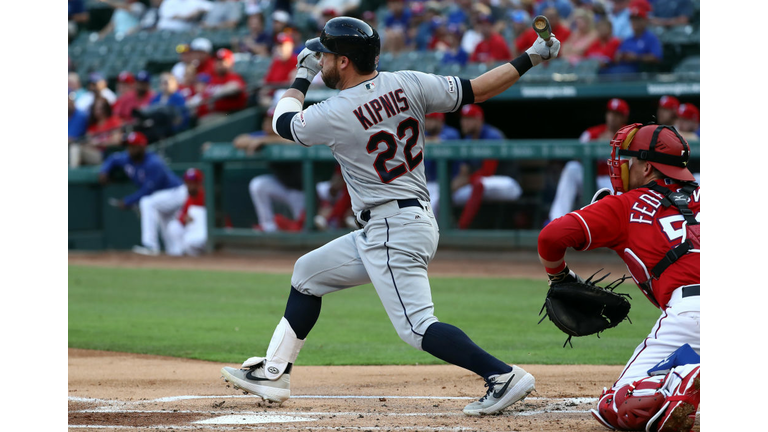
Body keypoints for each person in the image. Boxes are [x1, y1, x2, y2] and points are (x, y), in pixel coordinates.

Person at [220, 16, 561, 416]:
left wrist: (302, 75)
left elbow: (282, 123)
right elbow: (477, 89)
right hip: (399, 221)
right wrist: (532, 57)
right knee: (307, 274)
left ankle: (502, 376)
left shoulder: (336, 109)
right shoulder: (407, 82)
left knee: (417, 327)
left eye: (327, 55)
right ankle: (274, 371)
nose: (321, 59)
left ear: (344, 61)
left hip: (390, 226)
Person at [537, 123, 700, 432]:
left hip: (693, 310)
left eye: (629, 160)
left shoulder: (624, 205)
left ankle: (683, 374)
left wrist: (559, 277)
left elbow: (550, 238)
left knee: (617, 408)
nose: (622, 165)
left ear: (648, 167)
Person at [99, 131, 188, 256]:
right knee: (168, 233)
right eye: (129, 146)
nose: (130, 149)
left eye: (133, 146)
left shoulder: (154, 163)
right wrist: (104, 171)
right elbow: (113, 159)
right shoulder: (127, 158)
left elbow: (147, 191)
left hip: (175, 193)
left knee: (147, 203)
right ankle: (175, 256)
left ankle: (150, 245)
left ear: (142, 147)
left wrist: (128, 201)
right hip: (161, 197)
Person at [548, 98, 630, 223]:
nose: (612, 117)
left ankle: (620, 226)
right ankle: (555, 219)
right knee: (572, 168)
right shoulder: (591, 133)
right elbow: (576, 156)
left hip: (612, 182)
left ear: (624, 118)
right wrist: (596, 146)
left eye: (617, 114)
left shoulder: (630, 134)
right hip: (591, 178)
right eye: (610, 113)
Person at [232, 107, 304, 233]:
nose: (266, 123)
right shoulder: (264, 136)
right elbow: (238, 141)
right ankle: (268, 226)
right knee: (259, 184)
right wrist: (260, 140)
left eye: (271, 120)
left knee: (303, 229)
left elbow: (289, 141)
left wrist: (263, 141)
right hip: (281, 185)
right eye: (266, 120)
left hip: (302, 191)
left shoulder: (290, 130)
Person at [450, 104, 522, 229]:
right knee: (451, 194)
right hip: (481, 184)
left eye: (468, 119)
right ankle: (444, 228)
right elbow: (464, 171)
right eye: (463, 119)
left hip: (507, 183)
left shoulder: (492, 136)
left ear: (479, 120)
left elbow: (488, 172)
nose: (463, 123)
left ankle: (461, 228)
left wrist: (464, 181)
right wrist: (455, 184)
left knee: (479, 183)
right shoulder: (468, 140)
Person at [603, 6, 663, 75]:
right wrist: (619, 56)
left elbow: (657, 57)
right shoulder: (627, 39)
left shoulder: (651, 38)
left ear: (645, 21)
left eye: (638, 19)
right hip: (621, 69)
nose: (634, 22)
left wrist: (637, 57)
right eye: (633, 20)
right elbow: (616, 57)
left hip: (638, 72)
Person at [195, 48, 248, 124]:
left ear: (230, 62)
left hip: (226, 116)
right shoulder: (213, 79)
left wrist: (214, 96)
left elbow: (234, 87)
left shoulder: (233, 76)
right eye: (217, 61)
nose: (219, 63)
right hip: (206, 116)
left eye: (222, 61)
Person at [423, 112, 461, 216]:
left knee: (431, 205)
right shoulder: (425, 134)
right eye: (426, 119)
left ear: (440, 120)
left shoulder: (451, 133)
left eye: (431, 120)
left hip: (448, 183)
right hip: (429, 183)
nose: (427, 123)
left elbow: (439, 141)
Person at [166, 168, 208, 256]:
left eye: (192, 182)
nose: (189, 185)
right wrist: (185, 218)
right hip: (192, 230)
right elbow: (181, 218)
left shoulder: (206, 196)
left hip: (204, 232)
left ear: (199, 183)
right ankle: (178, 253)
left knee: (190, 242)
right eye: (187, 182)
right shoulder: (189, 199)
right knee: (173, 227)